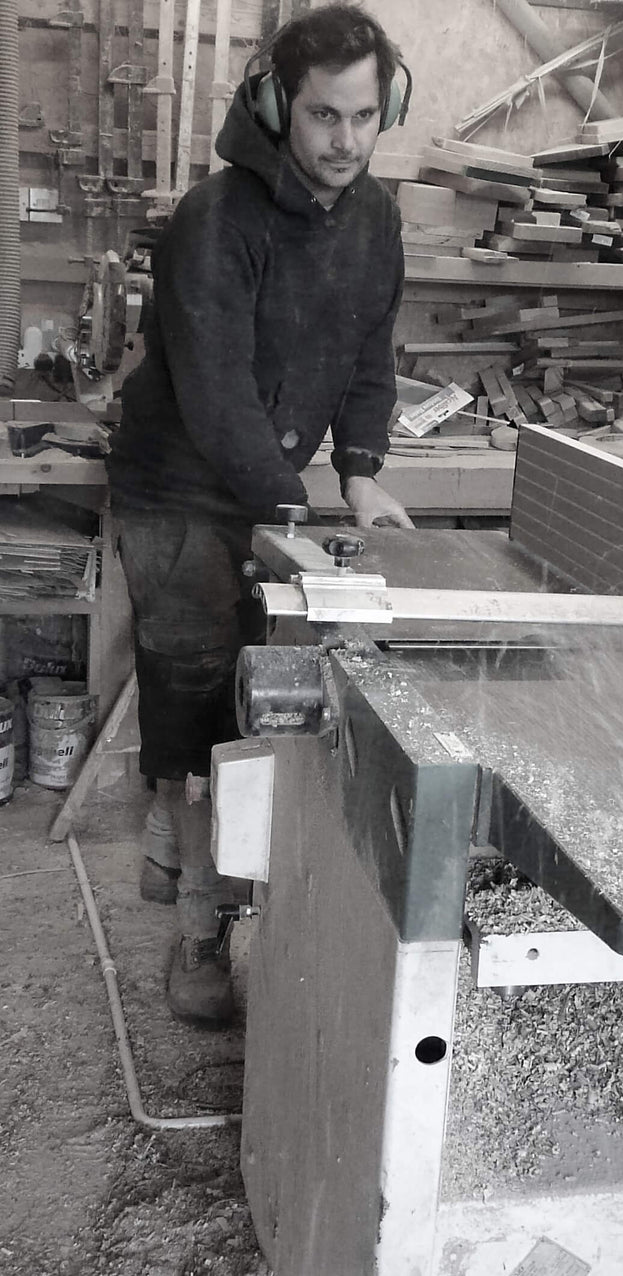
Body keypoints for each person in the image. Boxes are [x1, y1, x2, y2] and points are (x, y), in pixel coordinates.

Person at [106, 3, 411, 1029]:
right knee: (195, 694)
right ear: (280, 106)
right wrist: (290, 505)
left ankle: (181, 839)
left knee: (260, 692)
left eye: (365, 116)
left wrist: (361, 471)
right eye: (325, 116)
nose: (346, 142)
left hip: (267, 479)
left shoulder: (374, 219)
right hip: (180, 484)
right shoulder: (216, 218)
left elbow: (371, 355)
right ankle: (197, 929)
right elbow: (219, 395)